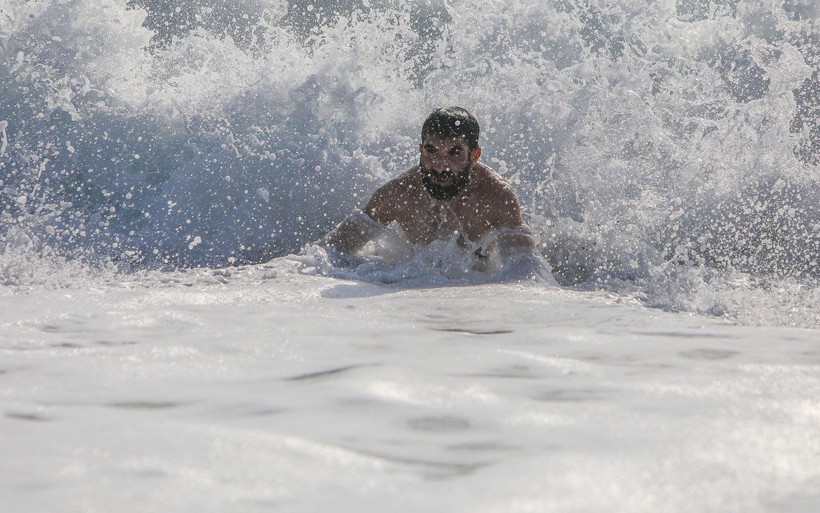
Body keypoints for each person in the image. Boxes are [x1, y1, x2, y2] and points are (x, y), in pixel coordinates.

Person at [321, 106, 539, 270]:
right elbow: (328, 251)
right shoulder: (398, 194)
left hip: (475, 296)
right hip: (409, 295)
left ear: (474, 156)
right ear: (420, 150)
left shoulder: (495, 197)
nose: (439, 164)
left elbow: (525, 270)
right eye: (431, 150)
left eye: (454, 152)